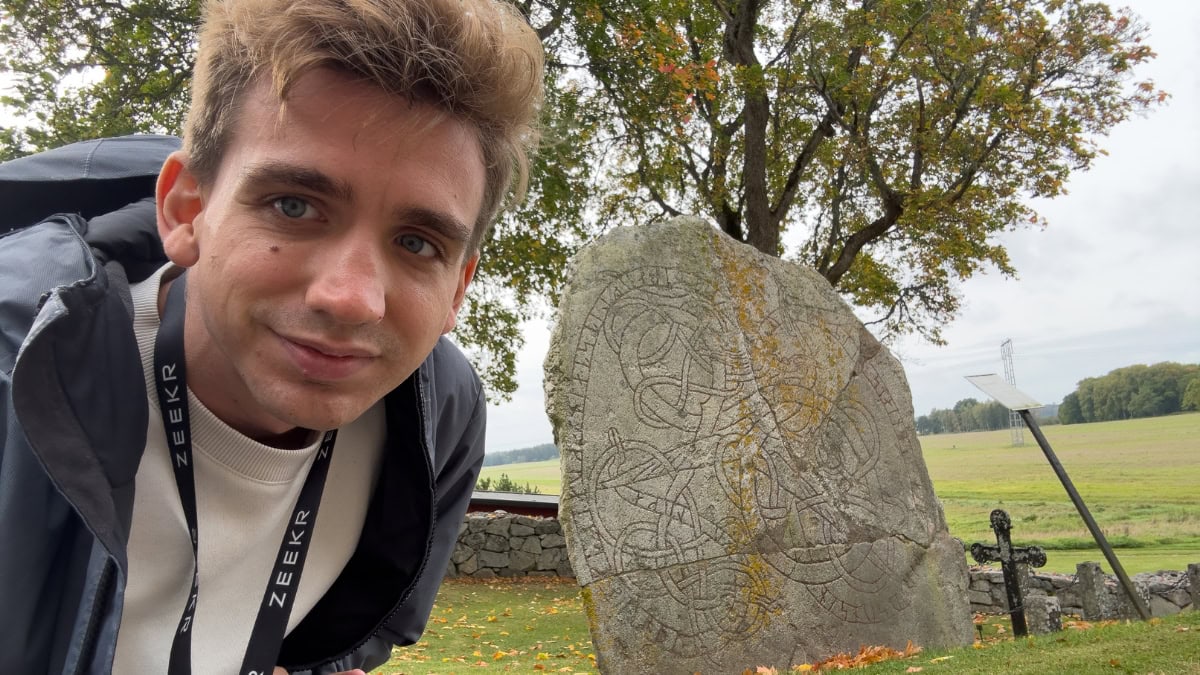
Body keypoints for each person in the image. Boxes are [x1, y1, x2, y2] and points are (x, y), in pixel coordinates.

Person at [0, 0, 543, 672]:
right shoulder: (19, 369)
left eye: (416, 243)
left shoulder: (442, 417)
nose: (351, 299)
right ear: (186, 209)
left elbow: (360, 631)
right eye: (295, 205)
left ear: (458, 287)